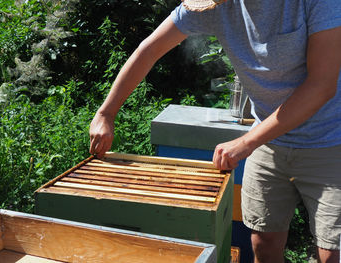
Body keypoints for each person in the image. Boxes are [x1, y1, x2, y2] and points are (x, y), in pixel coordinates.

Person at [89, 0, 341, 262]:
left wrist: (246, 142)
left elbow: (321, 86)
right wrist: (106, 113)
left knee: (331, 253)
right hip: (268, 142)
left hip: (331, 140)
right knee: (263, 244)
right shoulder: (216, 6)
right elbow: (149, 50)